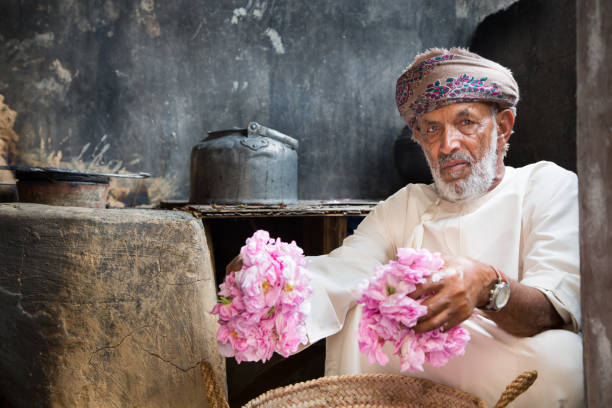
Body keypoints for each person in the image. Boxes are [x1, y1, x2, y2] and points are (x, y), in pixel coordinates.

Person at [228, 47, 583, 407]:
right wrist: (273, 281)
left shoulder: (547, 186)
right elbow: (344, 270)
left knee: (565, 359)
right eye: (432, 128)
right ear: (419, 137)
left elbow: (553, 308)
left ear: (503, 127)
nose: (447, 145)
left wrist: (485, 285)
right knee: (359, 316)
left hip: (505, 358)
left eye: (466, 122)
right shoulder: (405, 205)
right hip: (413, 374)